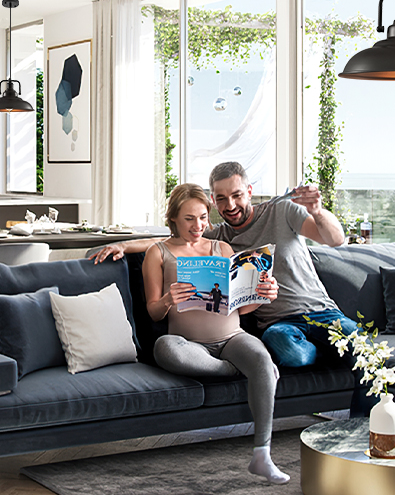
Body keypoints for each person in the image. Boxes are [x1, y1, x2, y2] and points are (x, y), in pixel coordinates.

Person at [93, 162, 372, 414]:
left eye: (237, 195)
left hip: (320, 311)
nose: (231, 205)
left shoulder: (282, 211)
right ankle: (327, 350)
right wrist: (123, 245)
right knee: (288, 351)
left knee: (367, 353)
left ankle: (361, 427)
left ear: (249, 191)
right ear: (214, 201)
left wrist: (317, 211)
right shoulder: (218, 238)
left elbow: (335, 240)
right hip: (276, 324)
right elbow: (170, 241)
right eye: (222, 199)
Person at [143, 183, 288, 484]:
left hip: (233, 337)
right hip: (190, 346)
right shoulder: (157, 254)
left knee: (259, 357)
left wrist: (263, 295)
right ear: (173, 218)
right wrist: (170, 298)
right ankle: (244, 370)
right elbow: (154, 312)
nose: (198, 226)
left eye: (202, 217)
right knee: (164, 347)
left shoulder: (222, 249)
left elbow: (239, 307)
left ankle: (262, 454)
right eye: (189, 219)